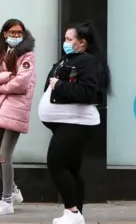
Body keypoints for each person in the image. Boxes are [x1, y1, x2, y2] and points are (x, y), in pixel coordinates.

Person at [38, 21, 111, 224]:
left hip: (76, 122)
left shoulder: (87, 61)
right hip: (65, 122)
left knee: (56, 162)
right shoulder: (70, 59)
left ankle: (72, 212)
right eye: (65, 39)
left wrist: (59, 85)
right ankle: (76, 213)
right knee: (70, 168)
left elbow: (88, 93)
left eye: (69, 39)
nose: (65, 42)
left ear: (83, 43)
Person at [0, 19, 36, 215]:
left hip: (15, 110)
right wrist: (6, 77)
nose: (15, 36)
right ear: (4, 34)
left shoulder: (27, 55)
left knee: (4, 155)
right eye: (11, 32)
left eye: (19, 32)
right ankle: (13, 190)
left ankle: (7, 201)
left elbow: (21, 83)